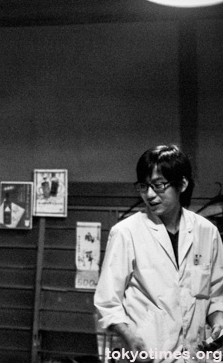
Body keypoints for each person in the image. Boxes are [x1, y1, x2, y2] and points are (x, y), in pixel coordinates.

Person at [94, 144, 223, 362]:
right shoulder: (126, 233)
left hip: (195, 356)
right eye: (144, 186)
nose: (149, 195)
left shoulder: (206, 232)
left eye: (159, 185)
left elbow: (216, 294)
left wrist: (218, 323)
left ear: (182, 184)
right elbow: (108, 301)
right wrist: (129, 337)